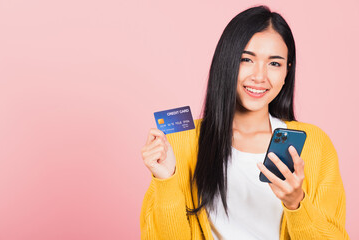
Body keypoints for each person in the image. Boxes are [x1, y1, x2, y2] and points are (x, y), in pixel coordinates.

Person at [140, 5, 350, 240]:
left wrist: (296, 203)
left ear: (286, 72)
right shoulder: (182, 141)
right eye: (246, 59)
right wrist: (166, 180)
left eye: (274, 63)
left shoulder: (315, 145)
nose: (259, 76)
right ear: (226, 62)